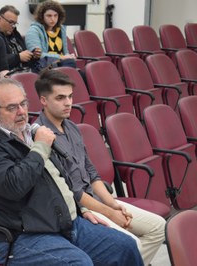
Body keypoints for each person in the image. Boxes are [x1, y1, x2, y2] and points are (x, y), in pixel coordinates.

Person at [0, 78, 144, 266]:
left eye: (23, 103)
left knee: (125, 246)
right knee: (79, 263)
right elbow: (14, 186)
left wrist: (79, 208)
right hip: (19, 236)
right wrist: (40, 146)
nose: (22, 112)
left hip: (59, 221)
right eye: (12, 108)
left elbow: (59, 178)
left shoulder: (28, 133)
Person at [34, 69, 166, 265]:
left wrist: (111, 203)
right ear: (43, 100)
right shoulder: (42, 136)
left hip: (98, 199)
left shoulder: (71, 127)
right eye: (60, 98)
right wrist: (110, 212)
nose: (68, 102)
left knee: (159, 227)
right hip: (80, 209)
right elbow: (74, 192)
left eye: (70, 96)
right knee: (132, 244)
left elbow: (91, 173)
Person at [25, 0, 76, 73]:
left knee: (83, 74)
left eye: (56, 15)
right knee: (70, 65)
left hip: (62, 63)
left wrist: (69, 56)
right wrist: (61, 57)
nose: (53, 19)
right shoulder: (33, 30)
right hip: (44, 67)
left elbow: (65, 52)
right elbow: (39, 56)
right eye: (49, 16)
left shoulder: (61, 29)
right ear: (42, 16)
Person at [0, 5, 37, 70]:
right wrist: (18, 57)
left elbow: (24, 51)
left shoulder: (15, 33)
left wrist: (33, 55)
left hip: (26, 70)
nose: (13, 26)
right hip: (8, 74)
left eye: (15, 23)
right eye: (11, 22)